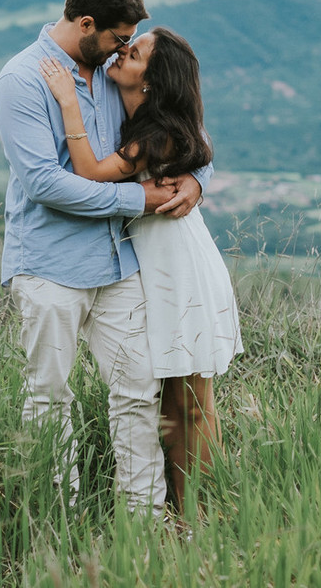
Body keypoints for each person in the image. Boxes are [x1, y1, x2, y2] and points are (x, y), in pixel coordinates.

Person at [0, 0, 209, 513]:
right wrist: (140, 200)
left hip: (118, 267)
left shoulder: (113, 77)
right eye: (117, 39)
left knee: (138, 396)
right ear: (86, 24)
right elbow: (45, 183)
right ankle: (55, 522)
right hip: (49, 267)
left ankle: (145, 522)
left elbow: (174, 125)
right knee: (49, 398)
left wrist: (194, 180)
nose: (122, 52)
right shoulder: (21, 80)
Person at [37, 26, 243, 513]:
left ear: (151, 81)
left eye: (135, 51)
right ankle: (179, 511)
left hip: (176, 262)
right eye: (128, 43)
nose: (123, 51)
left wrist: (68, 103)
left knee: (190, 400)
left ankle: (198, 515)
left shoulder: (156, 132)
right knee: (169, 397)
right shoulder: (122, 98)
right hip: (145, 264)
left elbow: (90, 171)